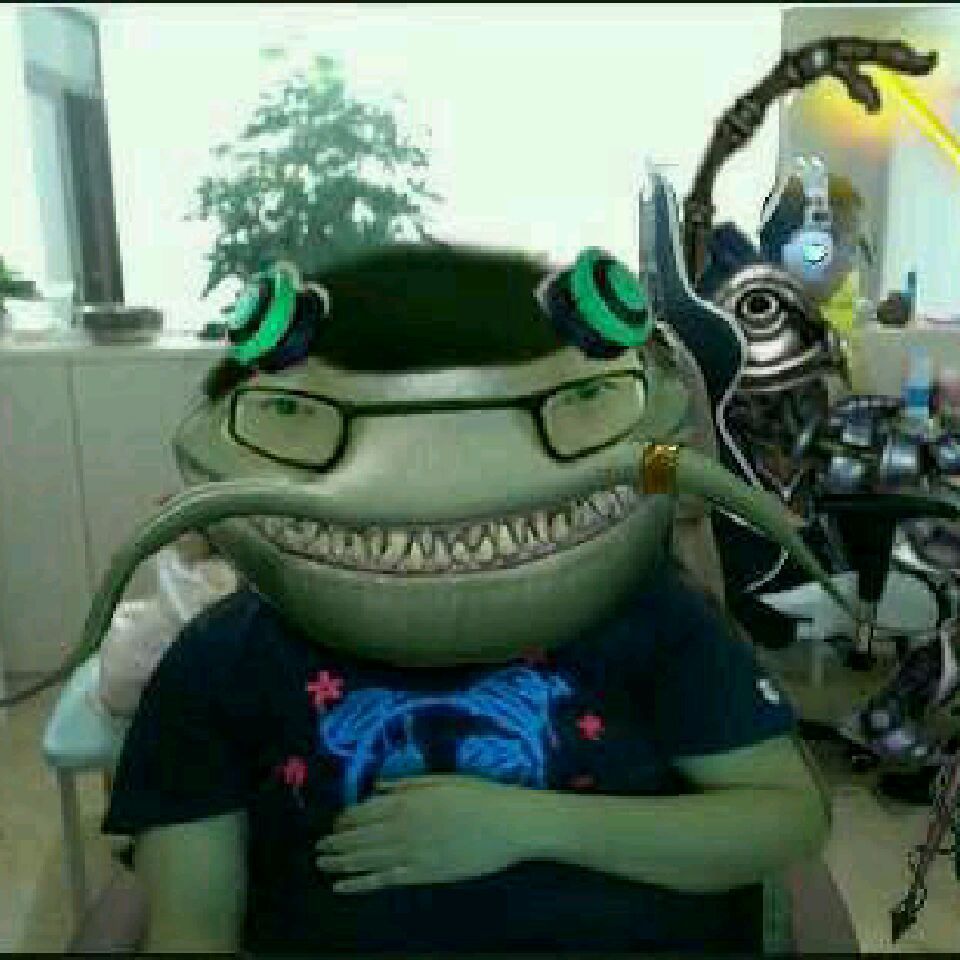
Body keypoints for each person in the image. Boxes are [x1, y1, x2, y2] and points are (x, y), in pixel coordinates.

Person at [99, 244, 831, 953]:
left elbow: (783, 819)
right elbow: (191, 929)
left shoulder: (652, 616)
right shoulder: (218, 661)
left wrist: (524, 824)